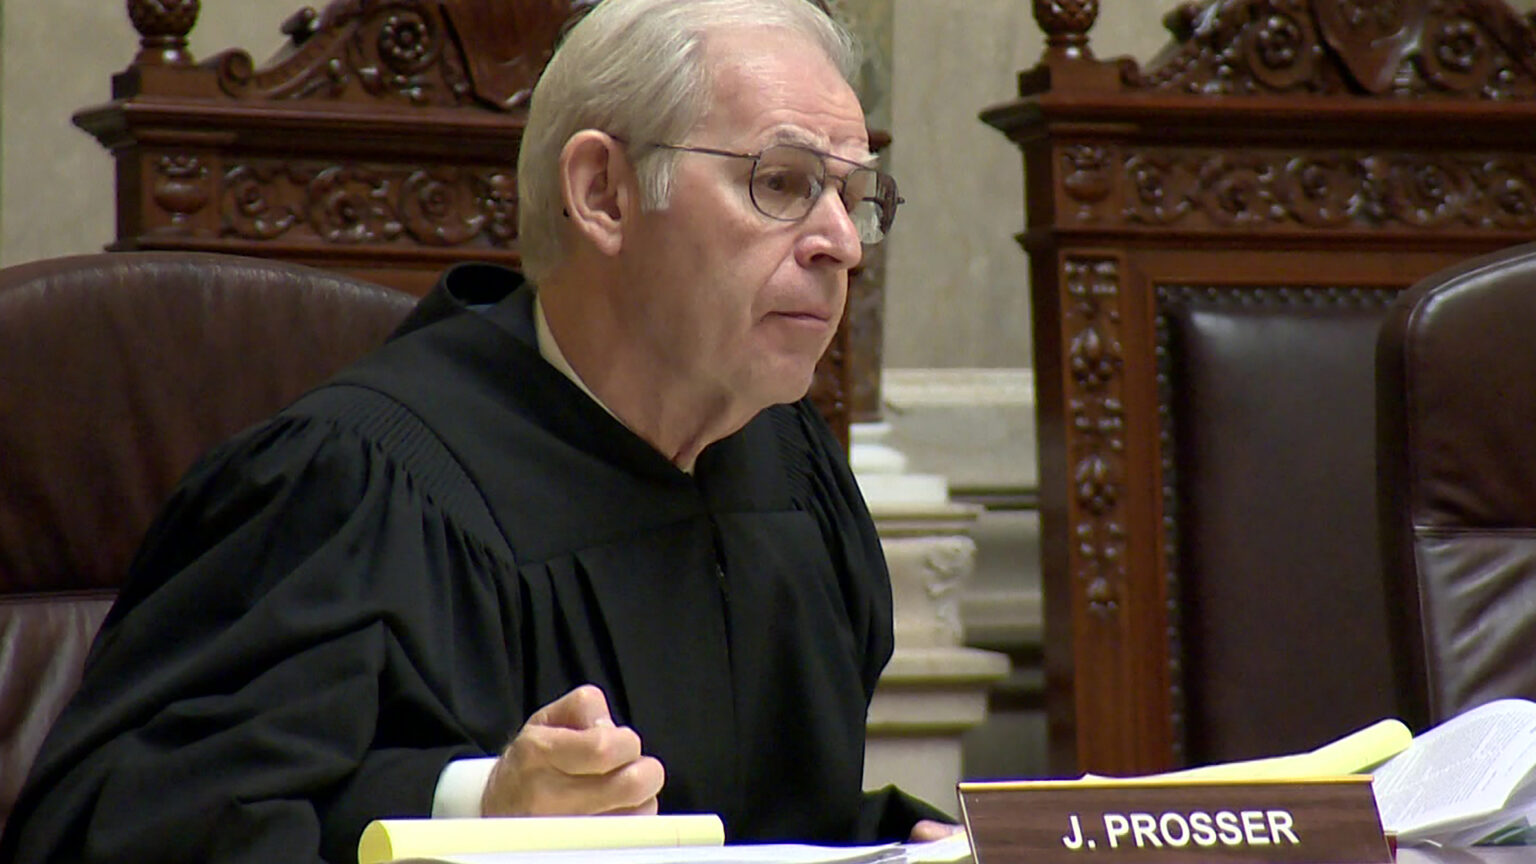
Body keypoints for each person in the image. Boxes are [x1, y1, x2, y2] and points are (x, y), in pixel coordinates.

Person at [0, 0, 956, 861]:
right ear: (604, 194)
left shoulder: (792, 476)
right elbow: (111, 824)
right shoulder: (355, 486)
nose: (839, 241)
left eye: (855, 195)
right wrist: (473, 808)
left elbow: (770, 826)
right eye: (783, 182)